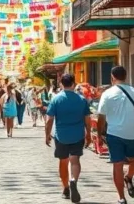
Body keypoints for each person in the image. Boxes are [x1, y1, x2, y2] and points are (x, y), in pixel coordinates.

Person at [96, 65, 134, 204]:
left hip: (131, 134)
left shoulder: (131, 93)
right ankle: (121, 198)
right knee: (119, 164)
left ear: (112, 77)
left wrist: (99, 135)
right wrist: (100, 135)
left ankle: (128, 177)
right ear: (126, 76)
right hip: (116, 134)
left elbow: (101, 117)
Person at [46, 73, 92, 203]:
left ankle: (65, 188)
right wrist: (88, 134)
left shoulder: (56, 99)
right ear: (74, 84)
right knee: (75, 160)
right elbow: (87, 119)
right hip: (77, 135)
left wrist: (47, 134)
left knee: (63, 161)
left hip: (61, 136)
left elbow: (49, 119)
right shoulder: (81, 100)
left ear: (61, 84)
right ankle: (74, 180)